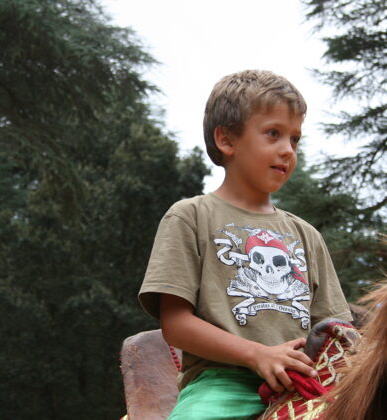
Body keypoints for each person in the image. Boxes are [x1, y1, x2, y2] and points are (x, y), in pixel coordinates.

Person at [138, 70, 352, 419]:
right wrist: (258, 355)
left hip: (303, 384)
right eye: (273, 134)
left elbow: (335, 331)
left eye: (295, 139)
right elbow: (175, 323)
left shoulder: (307, 236)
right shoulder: (190, 217)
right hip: (222, 383)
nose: (288, 150)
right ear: (226, 140)